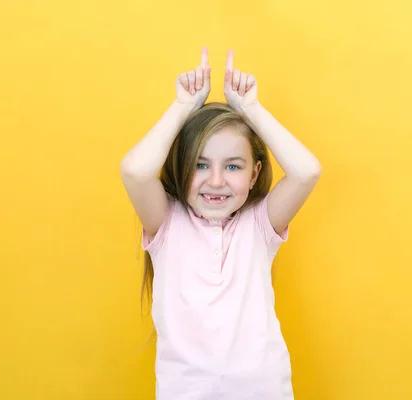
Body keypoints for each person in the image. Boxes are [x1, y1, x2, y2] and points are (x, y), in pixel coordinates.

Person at [120, 46, 321, 399]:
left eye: (232, 166)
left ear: (254, 172)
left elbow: (306, 172)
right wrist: (182, 107)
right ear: (180, 166)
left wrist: (251, 110)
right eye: (200, 164)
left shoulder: (259, 224)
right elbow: (135, 171)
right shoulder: (167, 224)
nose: (215, 181)